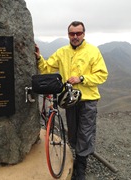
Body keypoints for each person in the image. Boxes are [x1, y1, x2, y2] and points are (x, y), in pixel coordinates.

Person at [35, 21, 108, 180]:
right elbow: (47, 68)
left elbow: (102, 74)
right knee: (73, 132)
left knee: (85, 132)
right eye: (72, 34)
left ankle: (80, 168)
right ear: (68, 34)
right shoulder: (62, 52)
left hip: (88, 100)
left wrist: (82, 78)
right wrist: (39, 57)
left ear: (83, 34)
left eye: (78, 33)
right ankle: (79, 155)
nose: (75, 37)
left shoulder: (93, 51)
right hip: (69, 100)